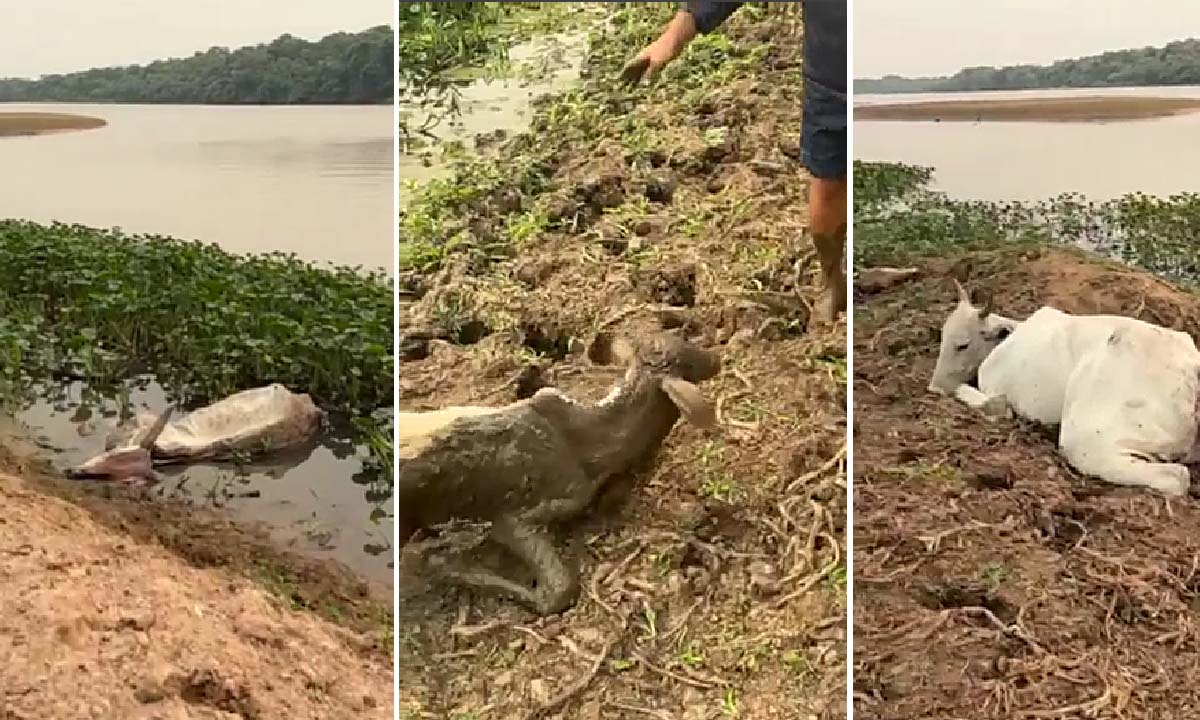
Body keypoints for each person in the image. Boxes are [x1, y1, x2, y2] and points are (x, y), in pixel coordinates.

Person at [622, 1, 847, 326]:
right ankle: (832, 281)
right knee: (827, 186)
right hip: (829, 81)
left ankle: (859, 266)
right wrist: (675, 35)